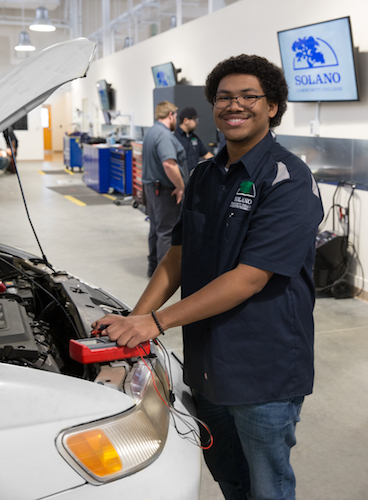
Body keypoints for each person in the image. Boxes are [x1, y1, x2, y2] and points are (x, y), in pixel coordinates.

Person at [93, 54, 324, 500]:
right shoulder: (203, 174)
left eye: (248, 97)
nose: (234, 106)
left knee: (268, 486)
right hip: (205, 363)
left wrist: (155, 323)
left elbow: (249, 279)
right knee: (229, 477)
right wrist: (132, 320)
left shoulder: (287, 179)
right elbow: (177, 257)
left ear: (272, 106)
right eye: (224, 97)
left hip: (263, 370)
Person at [142, 101, 187, 277]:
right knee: (166, 232)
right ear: (170, 115)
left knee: (155, 228)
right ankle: (164, 275)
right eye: (175, 116)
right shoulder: (164, 135)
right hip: (165, 191)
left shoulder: (151, 132)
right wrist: (181, 187)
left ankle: (152, 268)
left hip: (151, 188)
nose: (176, 119)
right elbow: (169, 164)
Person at [174, 106, 213, 172]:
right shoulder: (174, 137)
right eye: (195, 120)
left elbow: (207, 155)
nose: (197, 122)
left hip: (194, 178)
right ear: (186, 120)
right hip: (180, 178)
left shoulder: (194, 137)